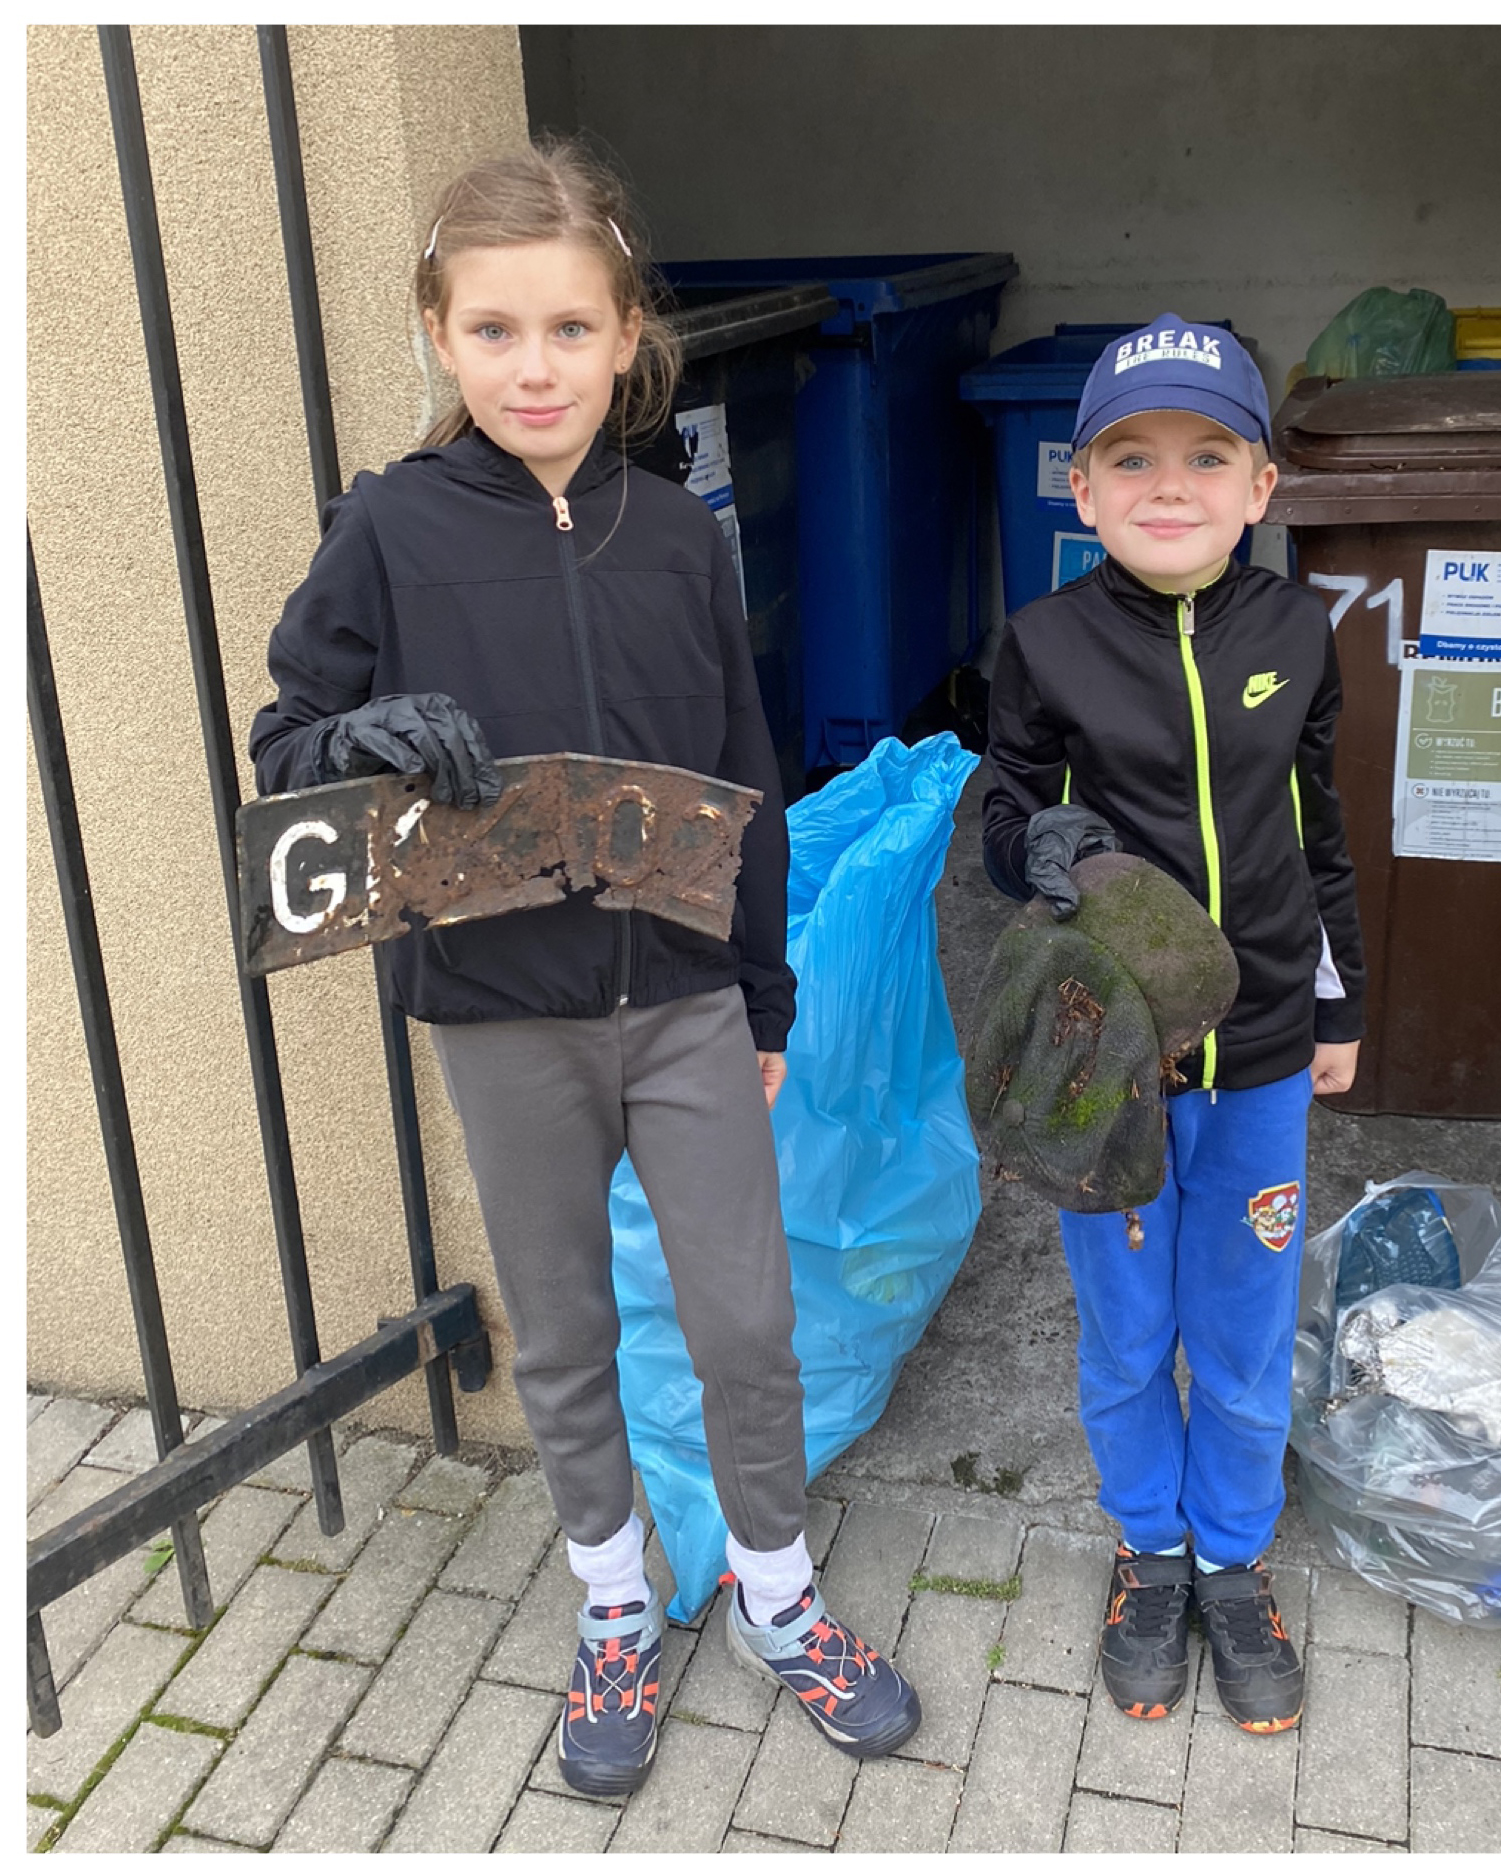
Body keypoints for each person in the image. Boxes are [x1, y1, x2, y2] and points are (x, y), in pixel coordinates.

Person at [248, 141, 918, 1796]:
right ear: (438, 332)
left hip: (685, 1007)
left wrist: (761, 995)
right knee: (560, 1334)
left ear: (626, 337)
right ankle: (613, 1606)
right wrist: (355, 732)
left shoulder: (679, 538)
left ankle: (779, 1600)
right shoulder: (387, 529)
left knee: (743, 1326)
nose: (530, 367)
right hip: (501, 1017)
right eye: (492, 331)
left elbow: (741, 763)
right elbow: (284, 746)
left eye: (565, 329)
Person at [978, 313, 1369, 1734]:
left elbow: (1319, 837)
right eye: (1129, 457)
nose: (1169, 484)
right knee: (1130, 1329)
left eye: (1208, 455)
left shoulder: (1298, 632)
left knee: (1247, 1326)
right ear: (1079, 490)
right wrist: (1038, 845)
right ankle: (1147, 1552)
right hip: (1111, 1064)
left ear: (1260, 487)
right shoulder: (1043, 642)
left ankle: (1229, 1559)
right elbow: (1004, 818)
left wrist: (1342, 1003)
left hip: (1261, 1047)